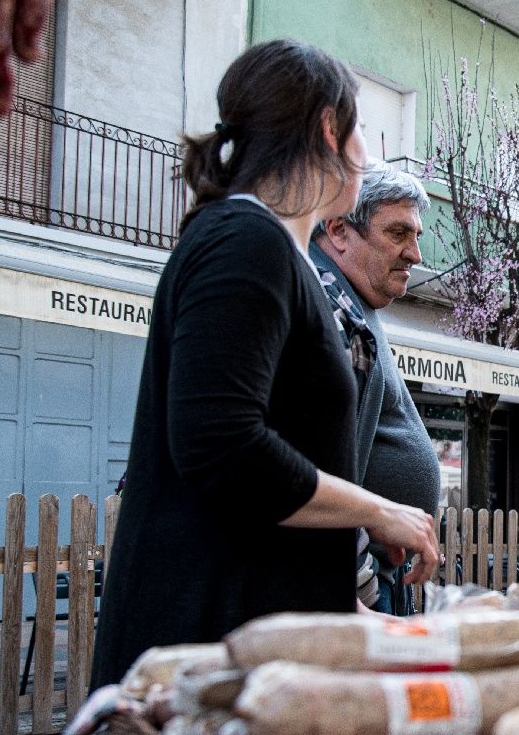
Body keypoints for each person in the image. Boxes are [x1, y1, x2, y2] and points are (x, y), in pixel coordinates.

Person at [92, 40, 440, 689]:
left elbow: (277, 468)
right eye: (361, 127)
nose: (366, 151)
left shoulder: (272, 249)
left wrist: (347, 592)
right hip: (214, 652)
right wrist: (375, 509)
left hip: (256, 646)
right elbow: (223, 450)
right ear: (329, 129)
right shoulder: (244, 240)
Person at [309, 164, 440, 616]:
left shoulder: (355, 302)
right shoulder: (331, 306)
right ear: (339, 230)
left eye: (416, 235)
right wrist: (358, 589)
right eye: (398, 233)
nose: (415, 254)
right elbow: (322, 471)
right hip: (353, 591)